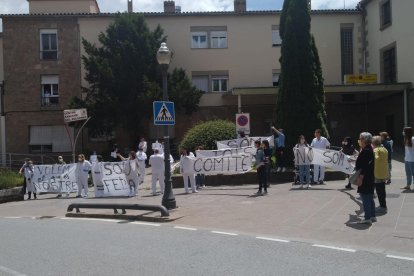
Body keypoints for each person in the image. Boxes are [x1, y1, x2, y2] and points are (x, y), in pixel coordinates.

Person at [354, 132, 376, 224]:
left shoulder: (366, 150)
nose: (359, 140)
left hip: (365, 176)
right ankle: (372, 216)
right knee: (370, 196)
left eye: (360, 138)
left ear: (364, 140)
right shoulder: (369, 149)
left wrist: (361, 177)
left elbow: (364, 165)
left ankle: (367, 218)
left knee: (365, 196)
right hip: (369, 176)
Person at [372, 136, 389, 213]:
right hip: (384, 172)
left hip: (377, 173)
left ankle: (383, 207)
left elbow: (376, 157)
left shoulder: (376, 150)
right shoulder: (384, 149)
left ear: (374, 143)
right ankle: (383, 205)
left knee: (379, 191)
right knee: (382, 190)